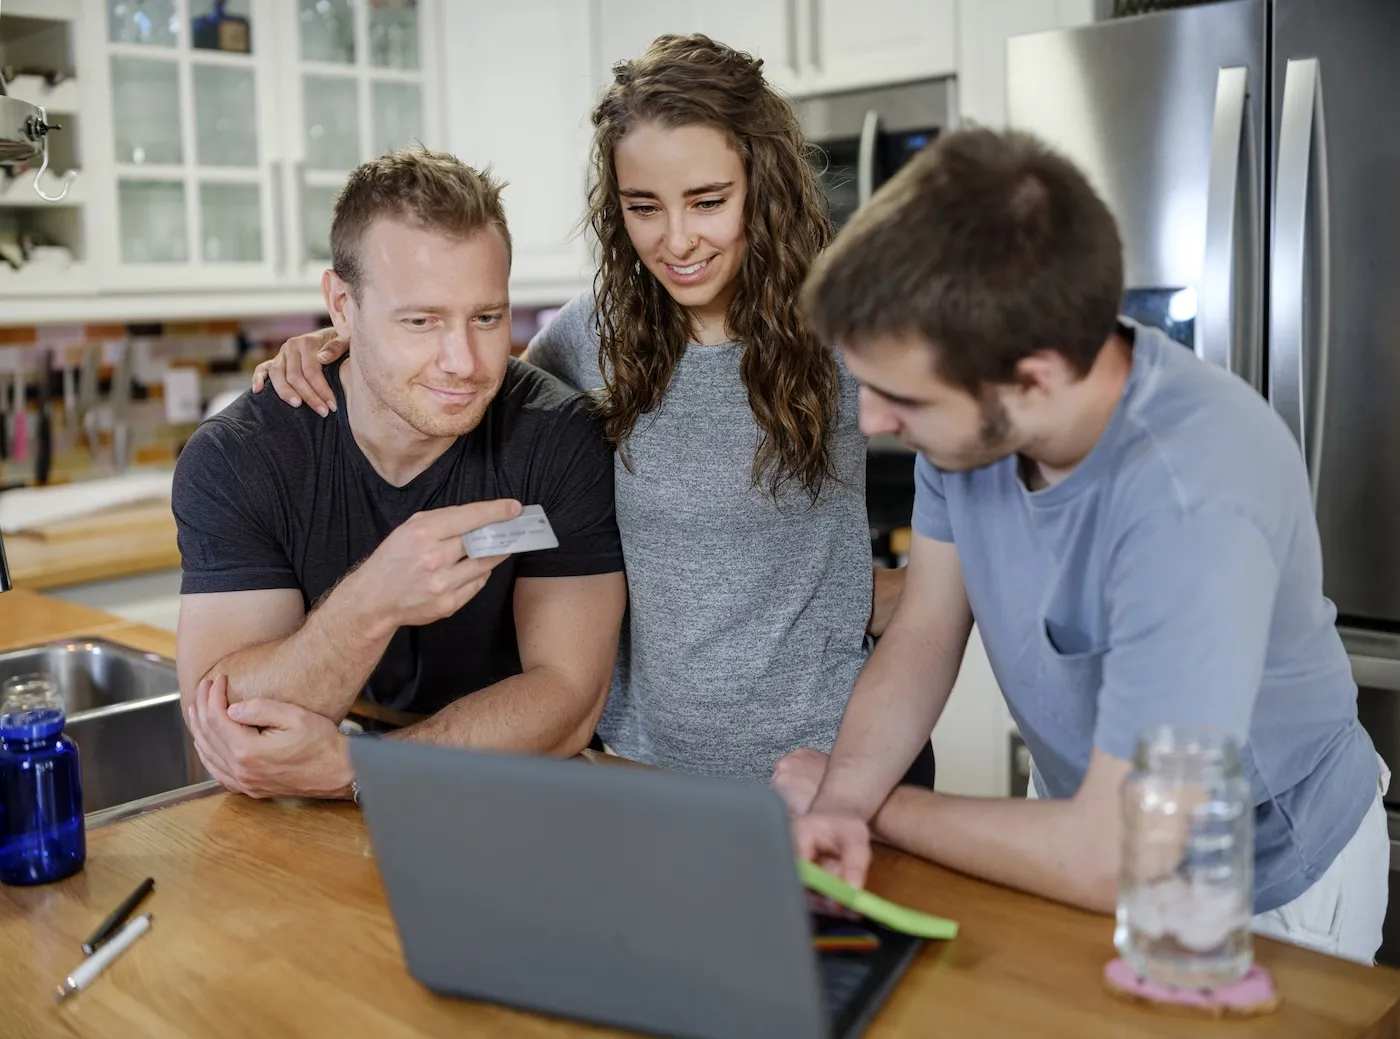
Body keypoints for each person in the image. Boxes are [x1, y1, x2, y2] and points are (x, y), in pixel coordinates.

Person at [776, 127, 1389, 963]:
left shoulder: (1193, 489)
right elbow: (923, 632)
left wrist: (872, 808)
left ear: (1034, 377)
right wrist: (840, 797)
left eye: (902, 399)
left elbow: (1115, 856)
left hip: (1262, 880)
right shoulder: (969, 432)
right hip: (1079, 820)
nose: (872, 422)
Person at [250, 34, 928, 786]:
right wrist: (347, 344)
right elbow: (468, 391)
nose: (676, 240)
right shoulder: (593, 334)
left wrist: (899, 592)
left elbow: (987, 493)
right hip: (638, 772)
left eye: (709, 201)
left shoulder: (851, 328)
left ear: (761, 185)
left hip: (830, 771)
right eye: (644, 207)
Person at [174, 149, 627, 801]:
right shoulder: (242, 458)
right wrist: (373, 600)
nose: (464, 362)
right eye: (421, 321)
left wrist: (366, 767)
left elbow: (568, 698)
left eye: (487, 317)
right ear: (342, 305)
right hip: (300, 810)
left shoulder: (555, 439)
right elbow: (231, 721)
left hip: (512, 791)